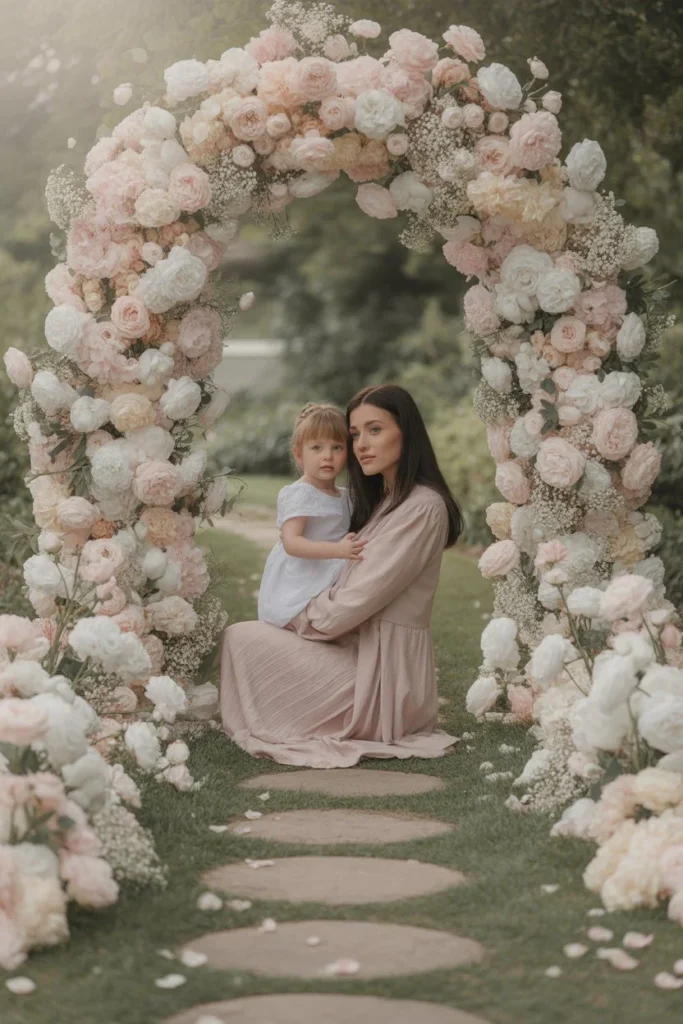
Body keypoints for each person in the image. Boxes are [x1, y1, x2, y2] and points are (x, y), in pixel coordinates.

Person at [220, 384, 464, 769]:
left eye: (375, 430)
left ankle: (305, 713)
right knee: (241, 637)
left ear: (407, 432)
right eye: (354, 434)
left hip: (382, 677)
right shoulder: (385, 502)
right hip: (355, 648)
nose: (361, 445)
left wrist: (299, 619)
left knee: (243, 639)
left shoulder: (423, 508)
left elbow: (348, 606)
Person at [258, 402, 366, 627]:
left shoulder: (346, 496)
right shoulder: (301, 493)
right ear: (299, 454)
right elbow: (292, 543)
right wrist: (338, 550)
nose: (327, 456)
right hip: (303, 573)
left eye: (337, 447)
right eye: (316, 448)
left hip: (331, 565)